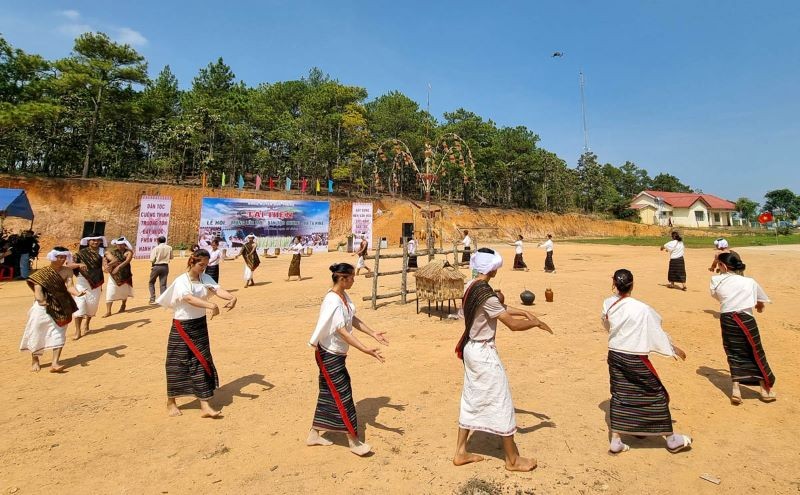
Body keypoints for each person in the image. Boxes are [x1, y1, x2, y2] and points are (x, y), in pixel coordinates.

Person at [453, 248, 553, 472]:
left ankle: (460, 451)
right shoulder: (486, 294)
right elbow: (512, 325)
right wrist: (535, 323)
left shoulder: (472, 287)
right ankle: (512, 459)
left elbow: (498, 309)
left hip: (472, 348)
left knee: (471, 397)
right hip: (483, 353)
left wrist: (524, 312)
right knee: (501, 400)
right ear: (492, 268)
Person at [601, 269, 692, 455]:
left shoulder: (608, 304)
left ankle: (616, 440)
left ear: (614, 285)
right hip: (635, 357)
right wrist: (672, 348)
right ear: (632, 285)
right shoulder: (642, 308)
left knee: (620, 394)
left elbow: (606, 325)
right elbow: (656, 330)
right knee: (656, 393)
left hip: (615, 354)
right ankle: (671, 439)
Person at [307, 262, 388, 456]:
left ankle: (313, 434)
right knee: (343, 394)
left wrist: (373, 333)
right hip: (328, 355)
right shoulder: (332, 300)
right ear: (342, 279)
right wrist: (366, 349)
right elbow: (342, 331)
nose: (354, 280)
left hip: (337, 354)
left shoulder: (343, 296)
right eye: (351, 277)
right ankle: (353, 440)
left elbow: (352, 319)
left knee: (329, 392)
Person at [157, 249, 237, 418]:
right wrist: (211, 306)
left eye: (206, 265)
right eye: (201, 265)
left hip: (199, 326)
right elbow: (188, 298)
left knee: (201, 362)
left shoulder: (205, 278)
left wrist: (232, 298)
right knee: (176, 363)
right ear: (192, 262)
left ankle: (205, 405)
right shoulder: (182, 281)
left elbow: (217, 290)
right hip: (182, 327)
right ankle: (171, 401)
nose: (203, 268)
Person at [710, 252, 776, 404]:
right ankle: (765, 389)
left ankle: (736, 390)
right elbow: (760, 301)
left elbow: (717, 296)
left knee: (734, 352)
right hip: (746, 318)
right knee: (755, 351)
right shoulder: (749, 282)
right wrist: (759, 306)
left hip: (727, 319)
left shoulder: (716, 280)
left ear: (723, 266)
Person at [19, 247, 82, 372]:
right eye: (60, 257)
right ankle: (35, 360)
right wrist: (41, 301)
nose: (63, 259)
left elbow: (70, 286)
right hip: (43, 306)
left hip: (62, 305)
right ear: (53, 257)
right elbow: (38, 290)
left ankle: (55, 363)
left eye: (64, 257)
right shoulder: (42, 273)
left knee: (59, 332)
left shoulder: (68, 271)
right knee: (37, 332)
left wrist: (78, 293)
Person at [72, 235, 106, 339]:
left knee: (92, 305)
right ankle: (78, 330)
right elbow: (70, 264)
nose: (95, 242)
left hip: (96, 283)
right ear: (88, 241)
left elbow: (106, 264)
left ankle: (87, 323)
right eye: (93, 240)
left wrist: (108, 266)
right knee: (80, 304)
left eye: (97, 240)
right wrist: (78, 265)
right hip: (82, 281)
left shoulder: (103, 252)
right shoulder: (80, 253)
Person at [103, 237, 134, 316]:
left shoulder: (128, 252)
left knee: (124, 291)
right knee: (110, 291)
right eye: (118, 245)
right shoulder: (112, 252)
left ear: (124, 244)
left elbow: (127, 261)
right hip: (114, 275)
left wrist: (118, 267)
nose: (119, 246)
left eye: (121, 245)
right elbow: (105, 259)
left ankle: (123, 304)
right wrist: (106, 266)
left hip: (125, 274)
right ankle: (108, 311)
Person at [148, 236, 173, 304]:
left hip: (157, 266)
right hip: (165, 266)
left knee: (151, 282)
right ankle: (163, 299)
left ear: (158, 241)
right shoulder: (169, 247)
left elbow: (152, 259)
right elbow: (171, 257)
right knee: (163, 284)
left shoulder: (156, 248)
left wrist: (153, 265)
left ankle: (152, 299)